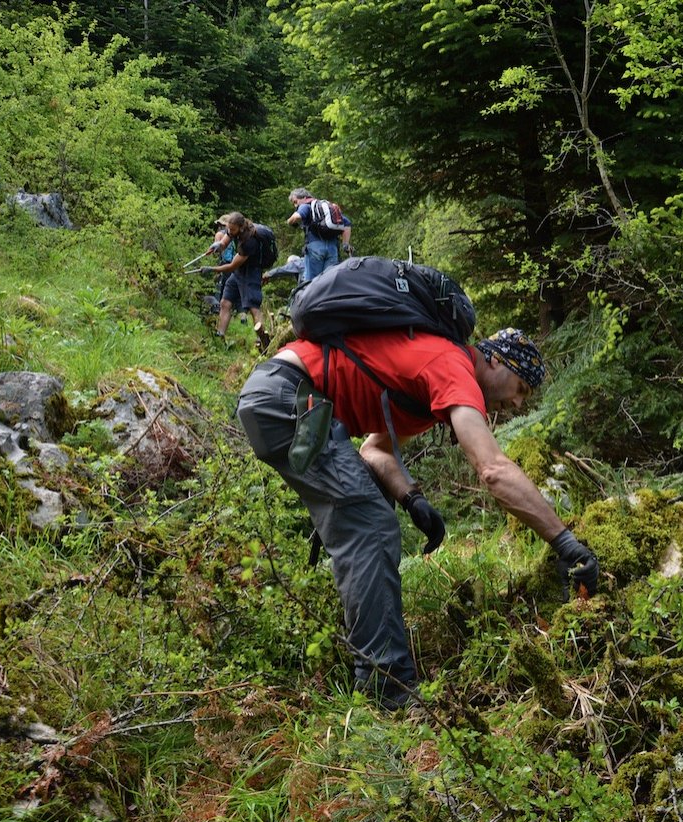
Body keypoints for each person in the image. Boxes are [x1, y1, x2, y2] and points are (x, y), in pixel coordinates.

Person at [236, 325, 601, 711]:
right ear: (495, 360)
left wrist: (412, 499)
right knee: (371, 526)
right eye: (521, 388)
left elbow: (374, 451)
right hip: (289, 398)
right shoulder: (453, 367)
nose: (517, 405)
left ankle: (376, 671)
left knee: (370, 511)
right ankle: (386, 689)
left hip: (283, 396)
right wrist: (565, 543)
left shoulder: (434, 376)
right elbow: (493, 469)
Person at [201, 212, 269, 351]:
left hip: (251, 272)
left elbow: (232, 266)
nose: (230, 232)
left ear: (241, 227)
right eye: (229, 229)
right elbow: (225, 241)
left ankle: (264, 341)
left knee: (253, 307)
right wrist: (218, 245)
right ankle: (220, 336)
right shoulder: (232, 229)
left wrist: (212, 269)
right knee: (225, 302)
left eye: (233, 229)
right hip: (238, 273)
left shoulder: (249, 241)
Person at [286, 188, 352, 284]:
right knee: (329, 282)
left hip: (315, 247)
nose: (295, 205)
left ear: (304, 197)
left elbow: (297, 216)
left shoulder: (306, 205)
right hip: (332, 249)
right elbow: (347, 224)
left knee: (312, 283)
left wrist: (289, 221)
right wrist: (345, 244)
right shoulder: (327, 208)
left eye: (295, 202)